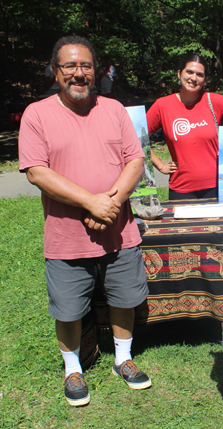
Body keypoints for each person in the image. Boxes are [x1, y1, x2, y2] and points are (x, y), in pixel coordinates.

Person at [18, 35, 151, 407]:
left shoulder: (113, 109)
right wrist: (91, 203)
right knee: (69, 307)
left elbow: (135, 161)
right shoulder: (37, 114)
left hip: (118, 231)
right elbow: (36, 172)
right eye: (70, 66)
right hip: (66, 236)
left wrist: (109, 203)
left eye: (86, 66)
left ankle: (122, 359)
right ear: (55, 71)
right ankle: (73, 367)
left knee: (124, 298)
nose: (79, 73)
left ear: (97, 70)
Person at [147, 53, 223, 200]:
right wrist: (160, 166)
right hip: (180, 188)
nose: (193, 78)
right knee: (183, 224)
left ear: (204, 80)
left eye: (199, 74)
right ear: (179, 73)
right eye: (189, 72)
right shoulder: (162, 105)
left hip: (216, 186)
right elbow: (136, 139)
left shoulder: (215, 101)